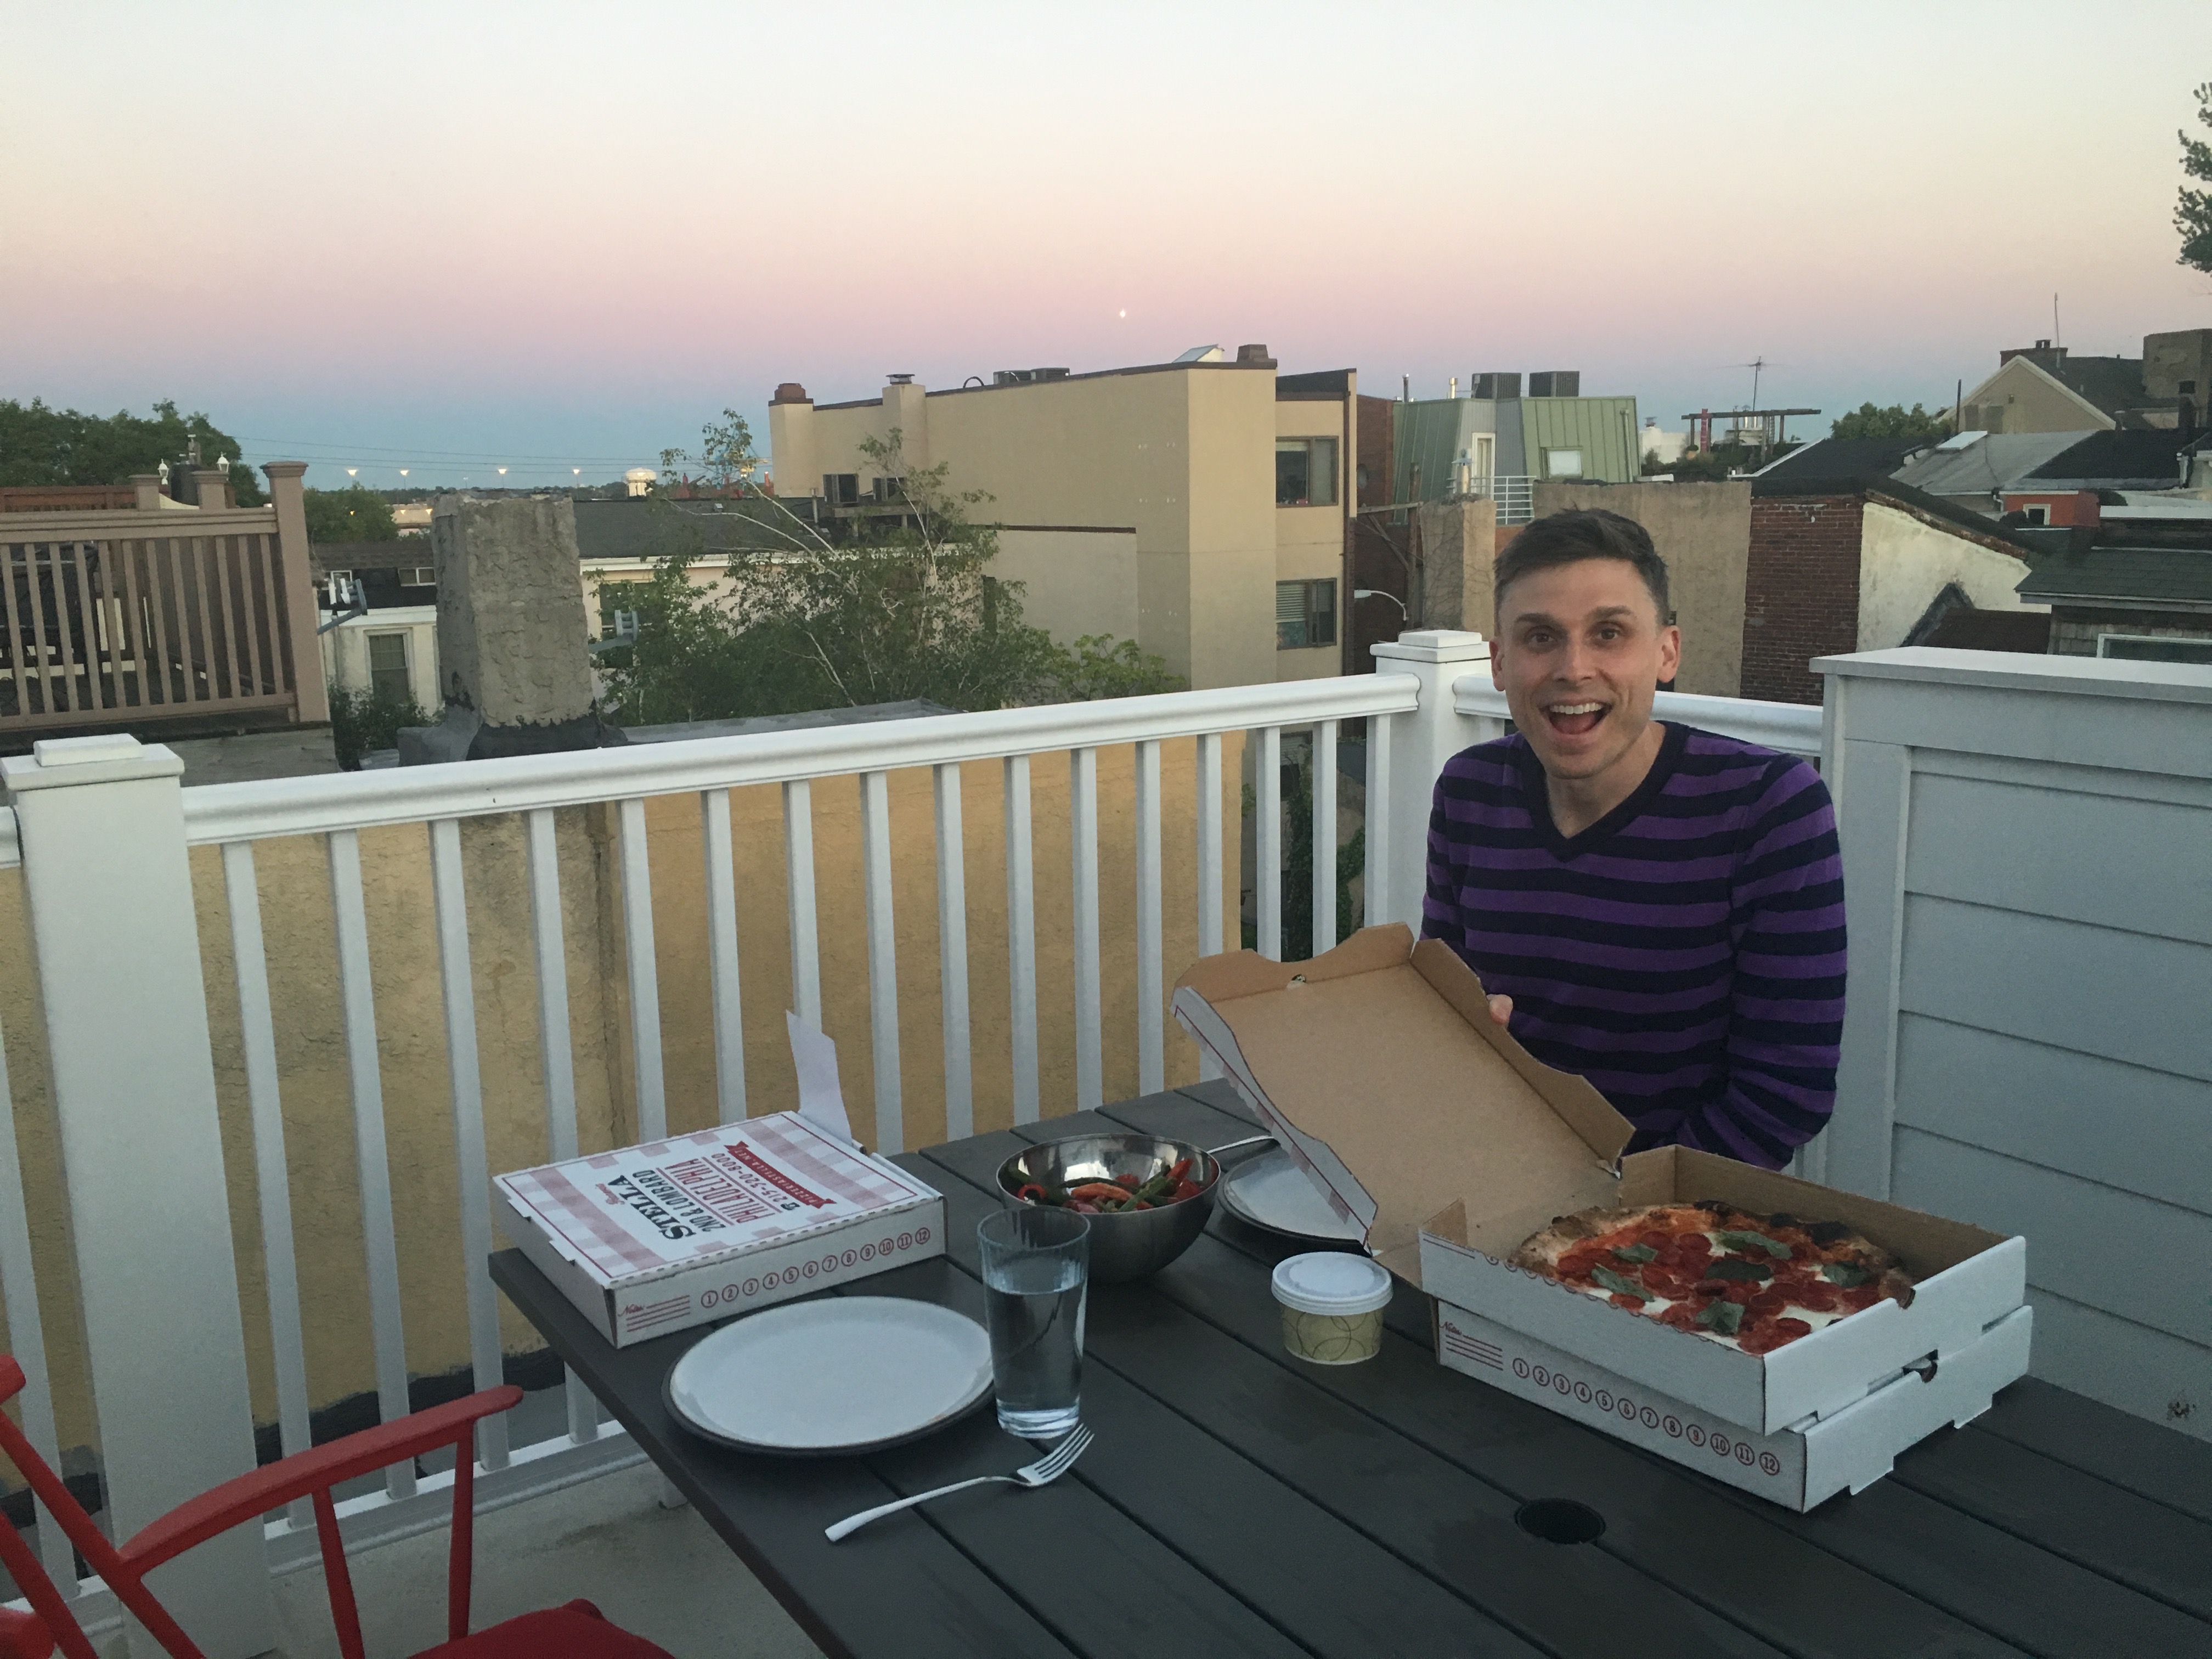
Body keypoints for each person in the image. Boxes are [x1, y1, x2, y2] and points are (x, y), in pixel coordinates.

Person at [1422, 509, 1846, 1169]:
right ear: (1500, 662)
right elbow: (1442, 1012)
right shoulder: (1469, 791)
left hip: (1676, 1207)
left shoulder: (1769, 808)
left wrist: (1616, 1204)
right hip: (1491, 1174)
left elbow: (1785, 1093)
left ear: (1666, 653)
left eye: (1609, 634)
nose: (1573, 668)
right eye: (1541, 637)